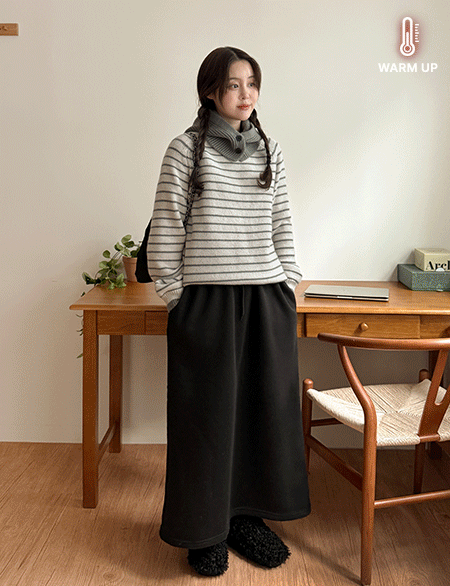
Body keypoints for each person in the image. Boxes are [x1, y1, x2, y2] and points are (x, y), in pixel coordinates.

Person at [147, 46, 310, 576]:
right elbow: (167, 225)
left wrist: (288, 282)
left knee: (264, 414)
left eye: (252, 84)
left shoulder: (270, 149)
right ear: (211, 91)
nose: (246, 94)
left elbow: (282, 222)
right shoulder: (184, 149)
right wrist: (176, 294)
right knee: (204, 421)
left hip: (266, 298)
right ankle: (205, 530)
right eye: (234, 84)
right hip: (206, 301)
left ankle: (246, 520)